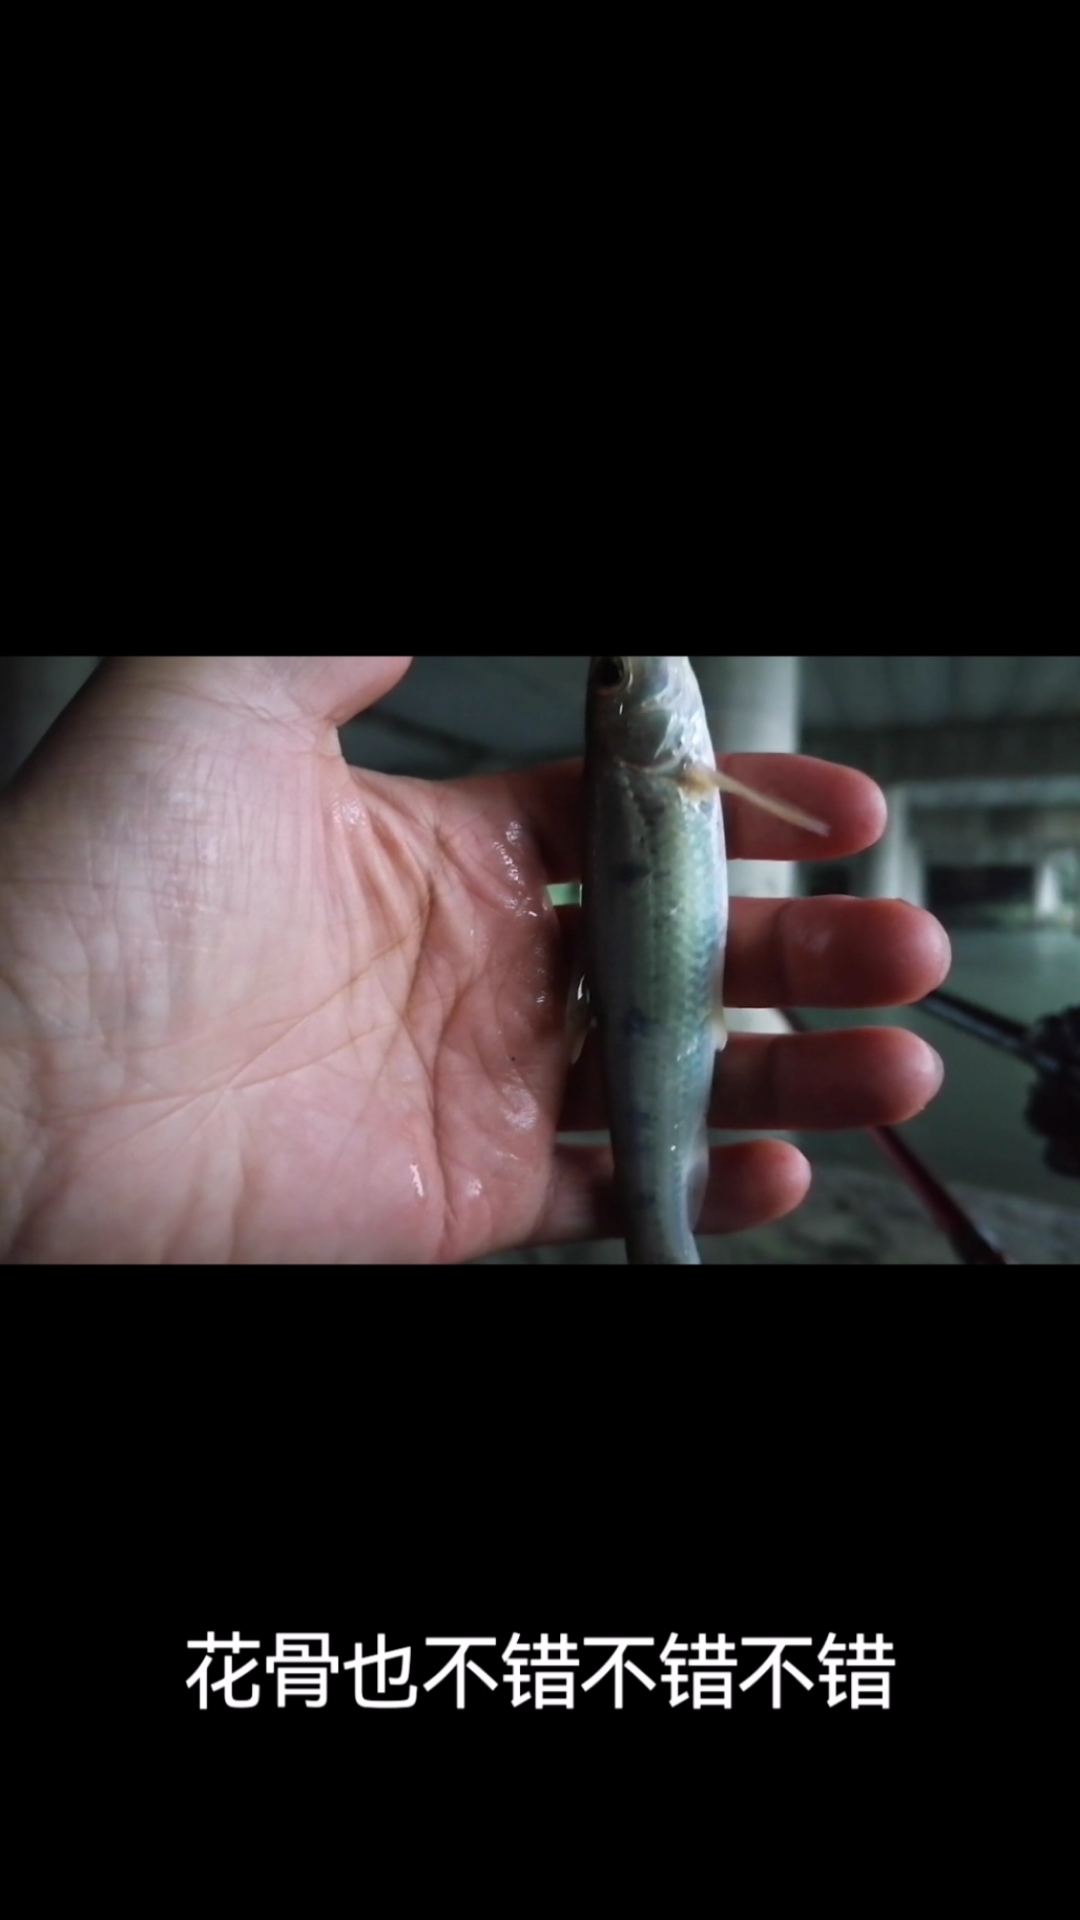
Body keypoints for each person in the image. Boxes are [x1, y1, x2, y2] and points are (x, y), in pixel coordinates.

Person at [0, 656, 950, 1264]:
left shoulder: (663, 768)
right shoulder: (672, 766)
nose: (637, 676)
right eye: (622, 678)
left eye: (614, 678)